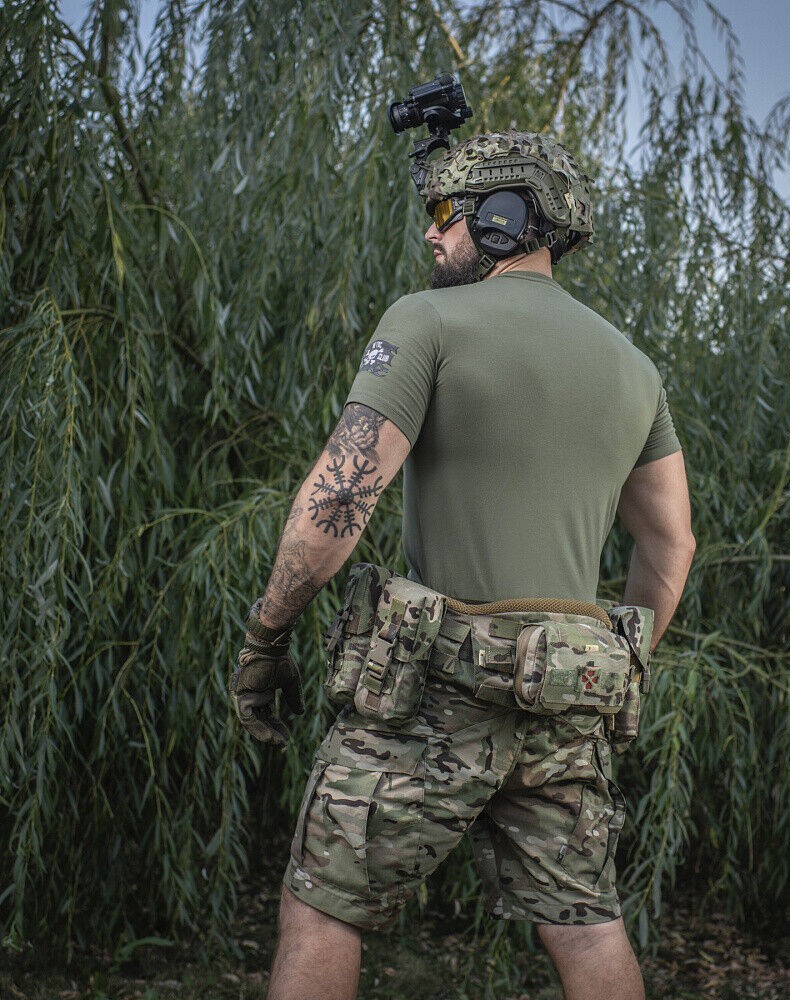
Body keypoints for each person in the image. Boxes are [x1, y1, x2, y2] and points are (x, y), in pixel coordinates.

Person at [231, 130, 696, 1000]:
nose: (431, 237)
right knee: (587, 928)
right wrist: (609, 669)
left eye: (444, 215)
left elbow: (336, 507)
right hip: (567, 707)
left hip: (430, 696)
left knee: (323, 909)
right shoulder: (636, 369)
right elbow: (671, 546)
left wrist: (267, 637)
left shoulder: (426, 319)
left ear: (505, 219)